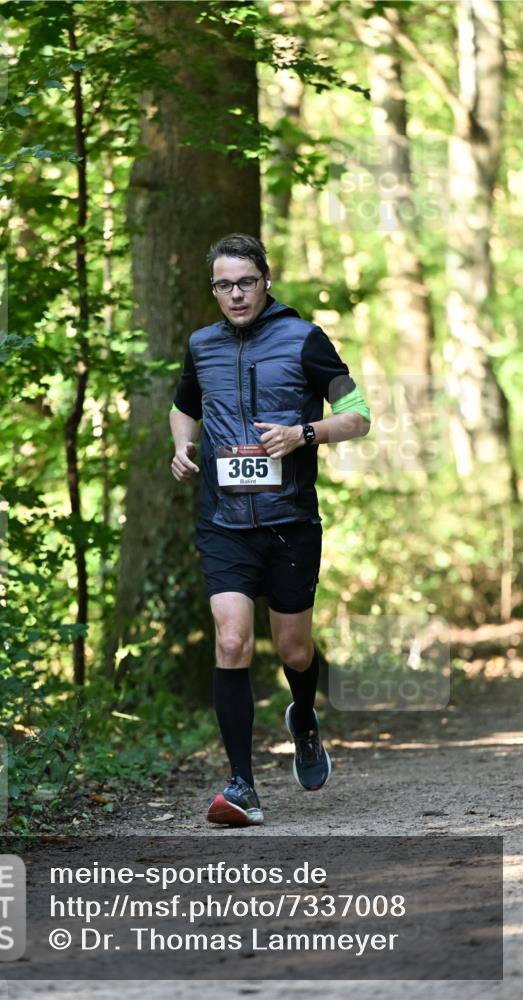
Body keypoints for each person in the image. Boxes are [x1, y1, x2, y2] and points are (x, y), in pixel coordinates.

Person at [169, 233, 371, 827]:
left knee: (293, 649)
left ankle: (303, 718)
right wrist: (182, 445)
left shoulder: (304, 339)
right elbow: (185, 406)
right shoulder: (201, 345)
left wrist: (305, 434)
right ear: (215, 289)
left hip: (289, 523)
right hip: (223, 522)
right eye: (224, 285)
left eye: (246, 282)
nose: (236, 294)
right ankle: (241, 786)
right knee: (231, 640)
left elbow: (358, 415)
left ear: (266, 280)